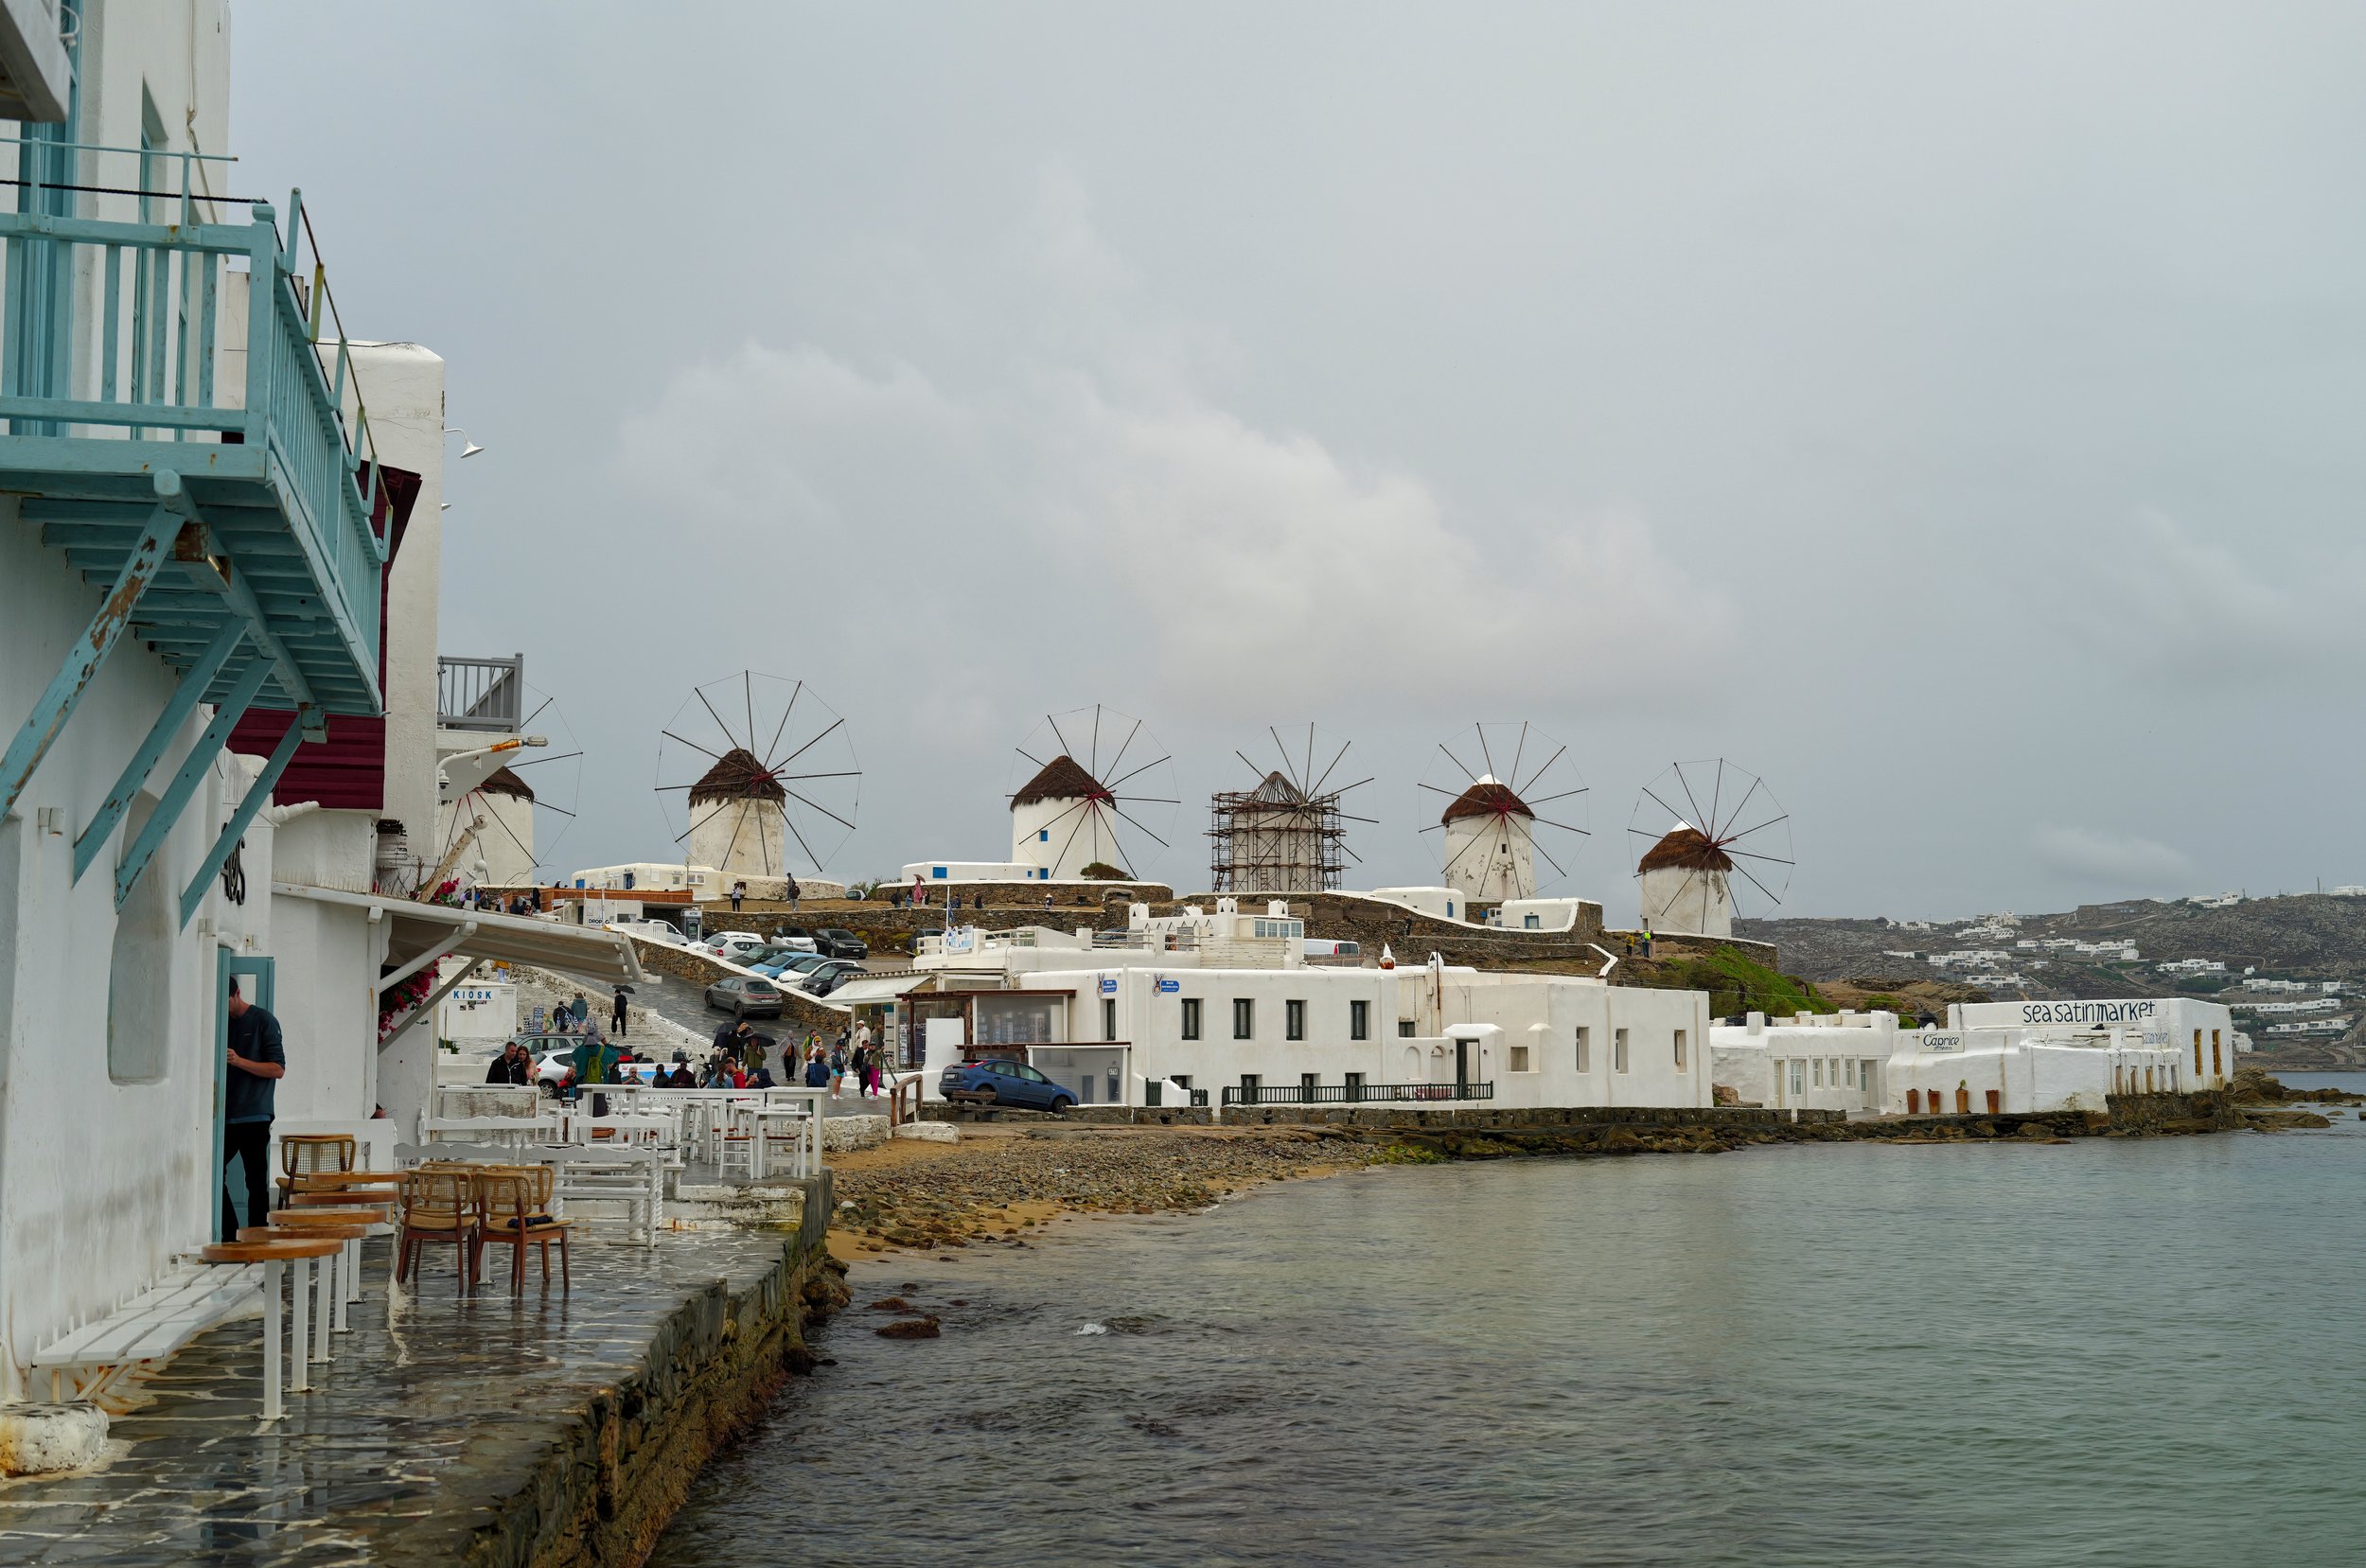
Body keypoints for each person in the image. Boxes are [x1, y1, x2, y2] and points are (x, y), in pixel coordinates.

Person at [221, 979, 287, 1240]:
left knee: (256, 1182)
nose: (222, 1007)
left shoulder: (263, 1020)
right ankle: (231, 1236)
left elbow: (278, 1069)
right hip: (224, 1117)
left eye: (225, 1001)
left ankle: (258, 1241)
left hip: (255, 1115)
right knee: (213, 1175)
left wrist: (238, 1061)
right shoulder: (220, 1021)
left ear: (236, 994)